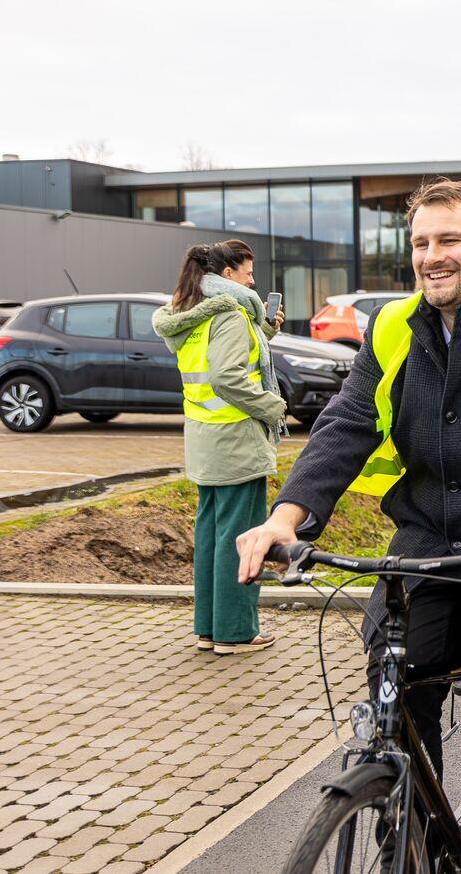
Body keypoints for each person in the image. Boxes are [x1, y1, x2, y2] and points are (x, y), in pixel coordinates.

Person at [234, 181, 461, 872]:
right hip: (430, 533)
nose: (431, 256)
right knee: (395, 664)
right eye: (420, 243)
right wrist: (283, 518)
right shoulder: (394, 327)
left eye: (449, 240)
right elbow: (345, 422)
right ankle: (406, 817)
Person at [152, 239, 287, 655]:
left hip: (205, 440)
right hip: (236, 441)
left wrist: (264, 330)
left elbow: (219, 358)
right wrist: (273, 405)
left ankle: (209, 628)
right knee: (242, 538)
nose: (253, 281)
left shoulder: (191, 312)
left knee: (212, 536)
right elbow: (228, 377)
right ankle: (236, 632)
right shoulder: (229, 314)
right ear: (226, 276)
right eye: (248, 274)